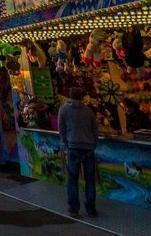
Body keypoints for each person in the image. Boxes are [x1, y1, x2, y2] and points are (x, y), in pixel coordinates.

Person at [58, 87, 99, 218]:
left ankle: (74, 208)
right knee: (90, 180)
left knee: (72, 179)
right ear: (81, 96)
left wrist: (66, 143)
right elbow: (95, 131)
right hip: (88, 148)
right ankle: (91, 209)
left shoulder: (63, 110)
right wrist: (93, 144)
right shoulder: (89, 111)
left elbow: (61, 129)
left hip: (73, 148)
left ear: (69, 96)